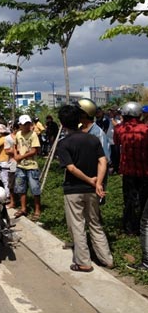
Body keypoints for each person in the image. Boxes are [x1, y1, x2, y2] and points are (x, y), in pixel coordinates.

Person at [56, 105, 113, 272]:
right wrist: (98, 183)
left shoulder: (64, 143)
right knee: (95, 224)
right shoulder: (93, 139)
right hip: (93, 191)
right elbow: (103, 161)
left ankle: (84, 262)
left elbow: (71, 168)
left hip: (73, 190)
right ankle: (107, 259)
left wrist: (90, 180)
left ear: (62, 123)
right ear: (79, 120)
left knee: (77, 225)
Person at [113, 102, 148, 238]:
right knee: (144, 200)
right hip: (145, 171)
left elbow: (116, 145)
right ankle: (142, 226)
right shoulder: (145, 129)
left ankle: (129, 228)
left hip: (127, 171)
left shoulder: (119, 129)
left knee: (129, 199)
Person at [75, 98, 110, 204]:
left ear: (85, 114)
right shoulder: (79, 130)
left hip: (94, 177)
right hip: (81, 176)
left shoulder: (98, 134)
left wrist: (99, 182)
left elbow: (104, 160)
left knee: (93, 209)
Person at [14, 115, 41, 221]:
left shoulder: (33, 135)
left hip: (31, 166)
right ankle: (23, 208)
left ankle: (37, 209)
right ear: (20, 125)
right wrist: (16, 155)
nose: (27, 126)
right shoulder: (18, 134)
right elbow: (15, 145)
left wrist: (21, 156)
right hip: (20, 166)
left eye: (28, 124)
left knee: (35, 189)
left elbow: (34, 150)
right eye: (24, 124)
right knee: (21, 188)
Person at [4, 123, 19, 209]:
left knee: (21, 184)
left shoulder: (22, 137)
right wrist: (16, 150)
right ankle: (12, 202)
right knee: (11, 184)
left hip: (22, 163)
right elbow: (7, 151)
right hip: (12, 163)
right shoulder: (7, 138)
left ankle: (19, 201)